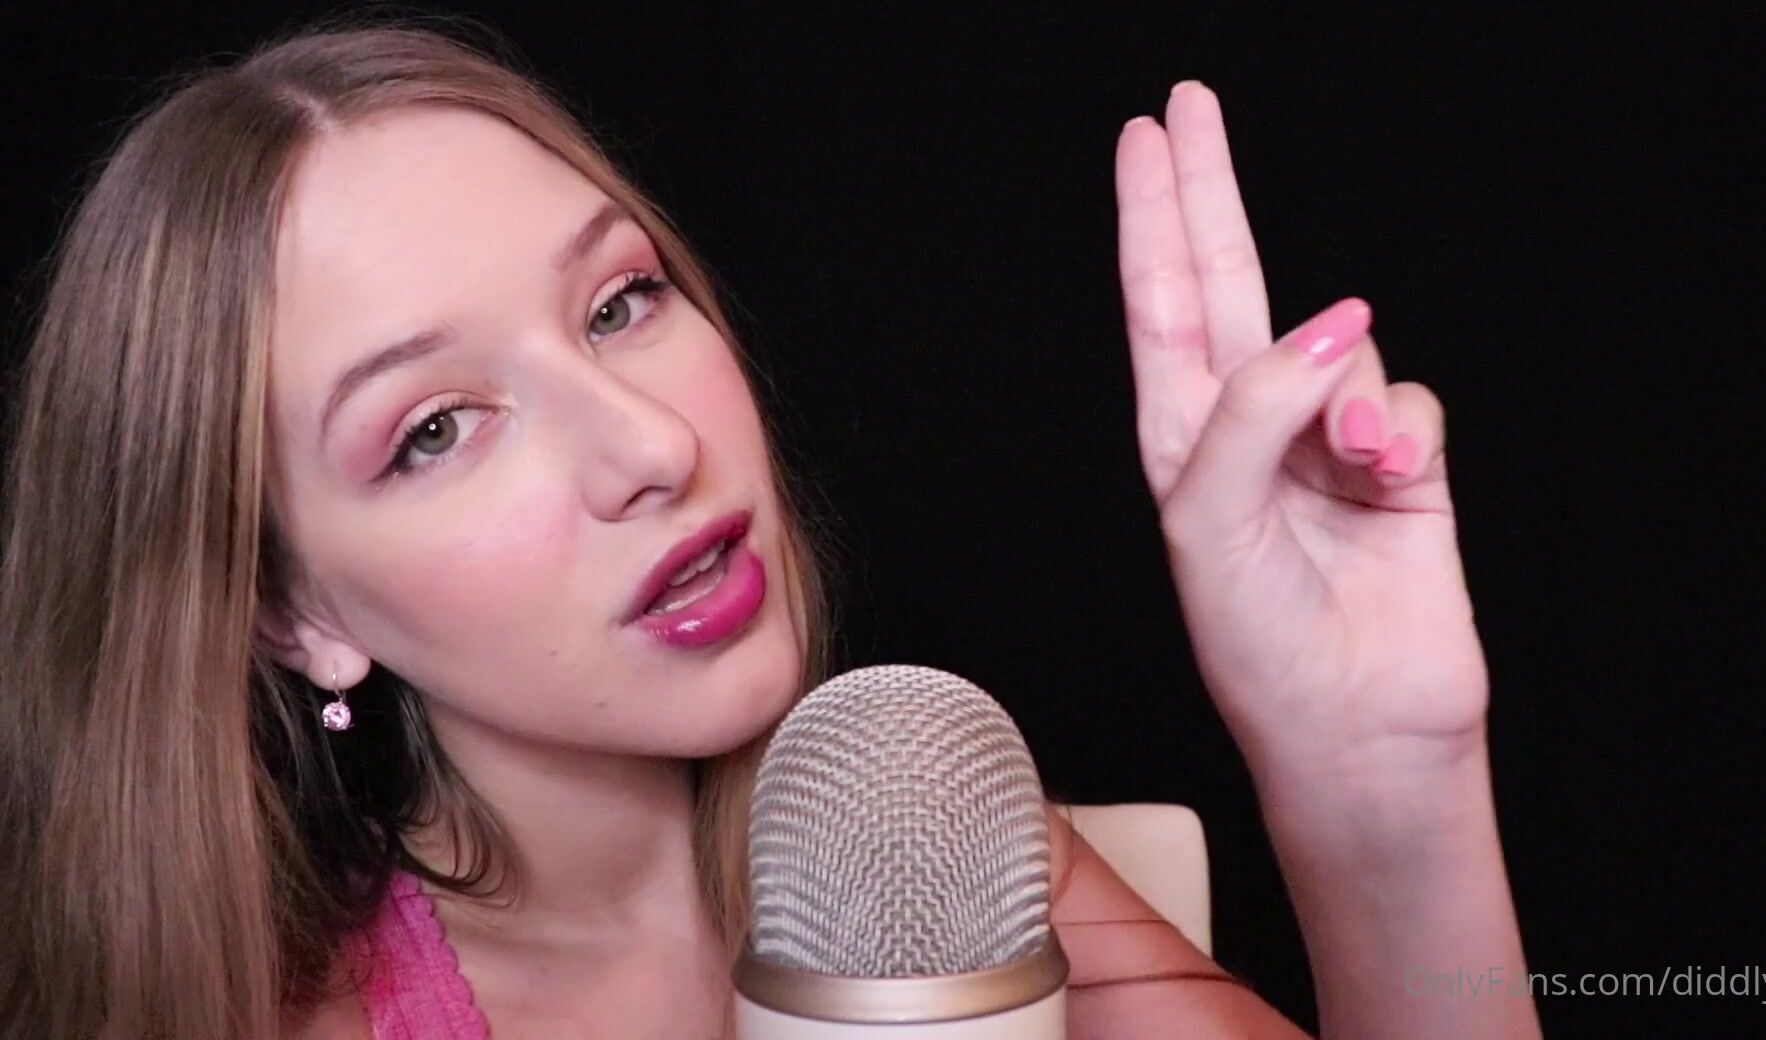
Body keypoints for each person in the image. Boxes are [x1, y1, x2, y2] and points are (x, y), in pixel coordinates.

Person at [0, 18, 1541, 1040]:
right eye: (435, 429)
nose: (652, 446)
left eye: (620, 302)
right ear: (291, 613)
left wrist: (1374, 781)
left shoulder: (926, 861)